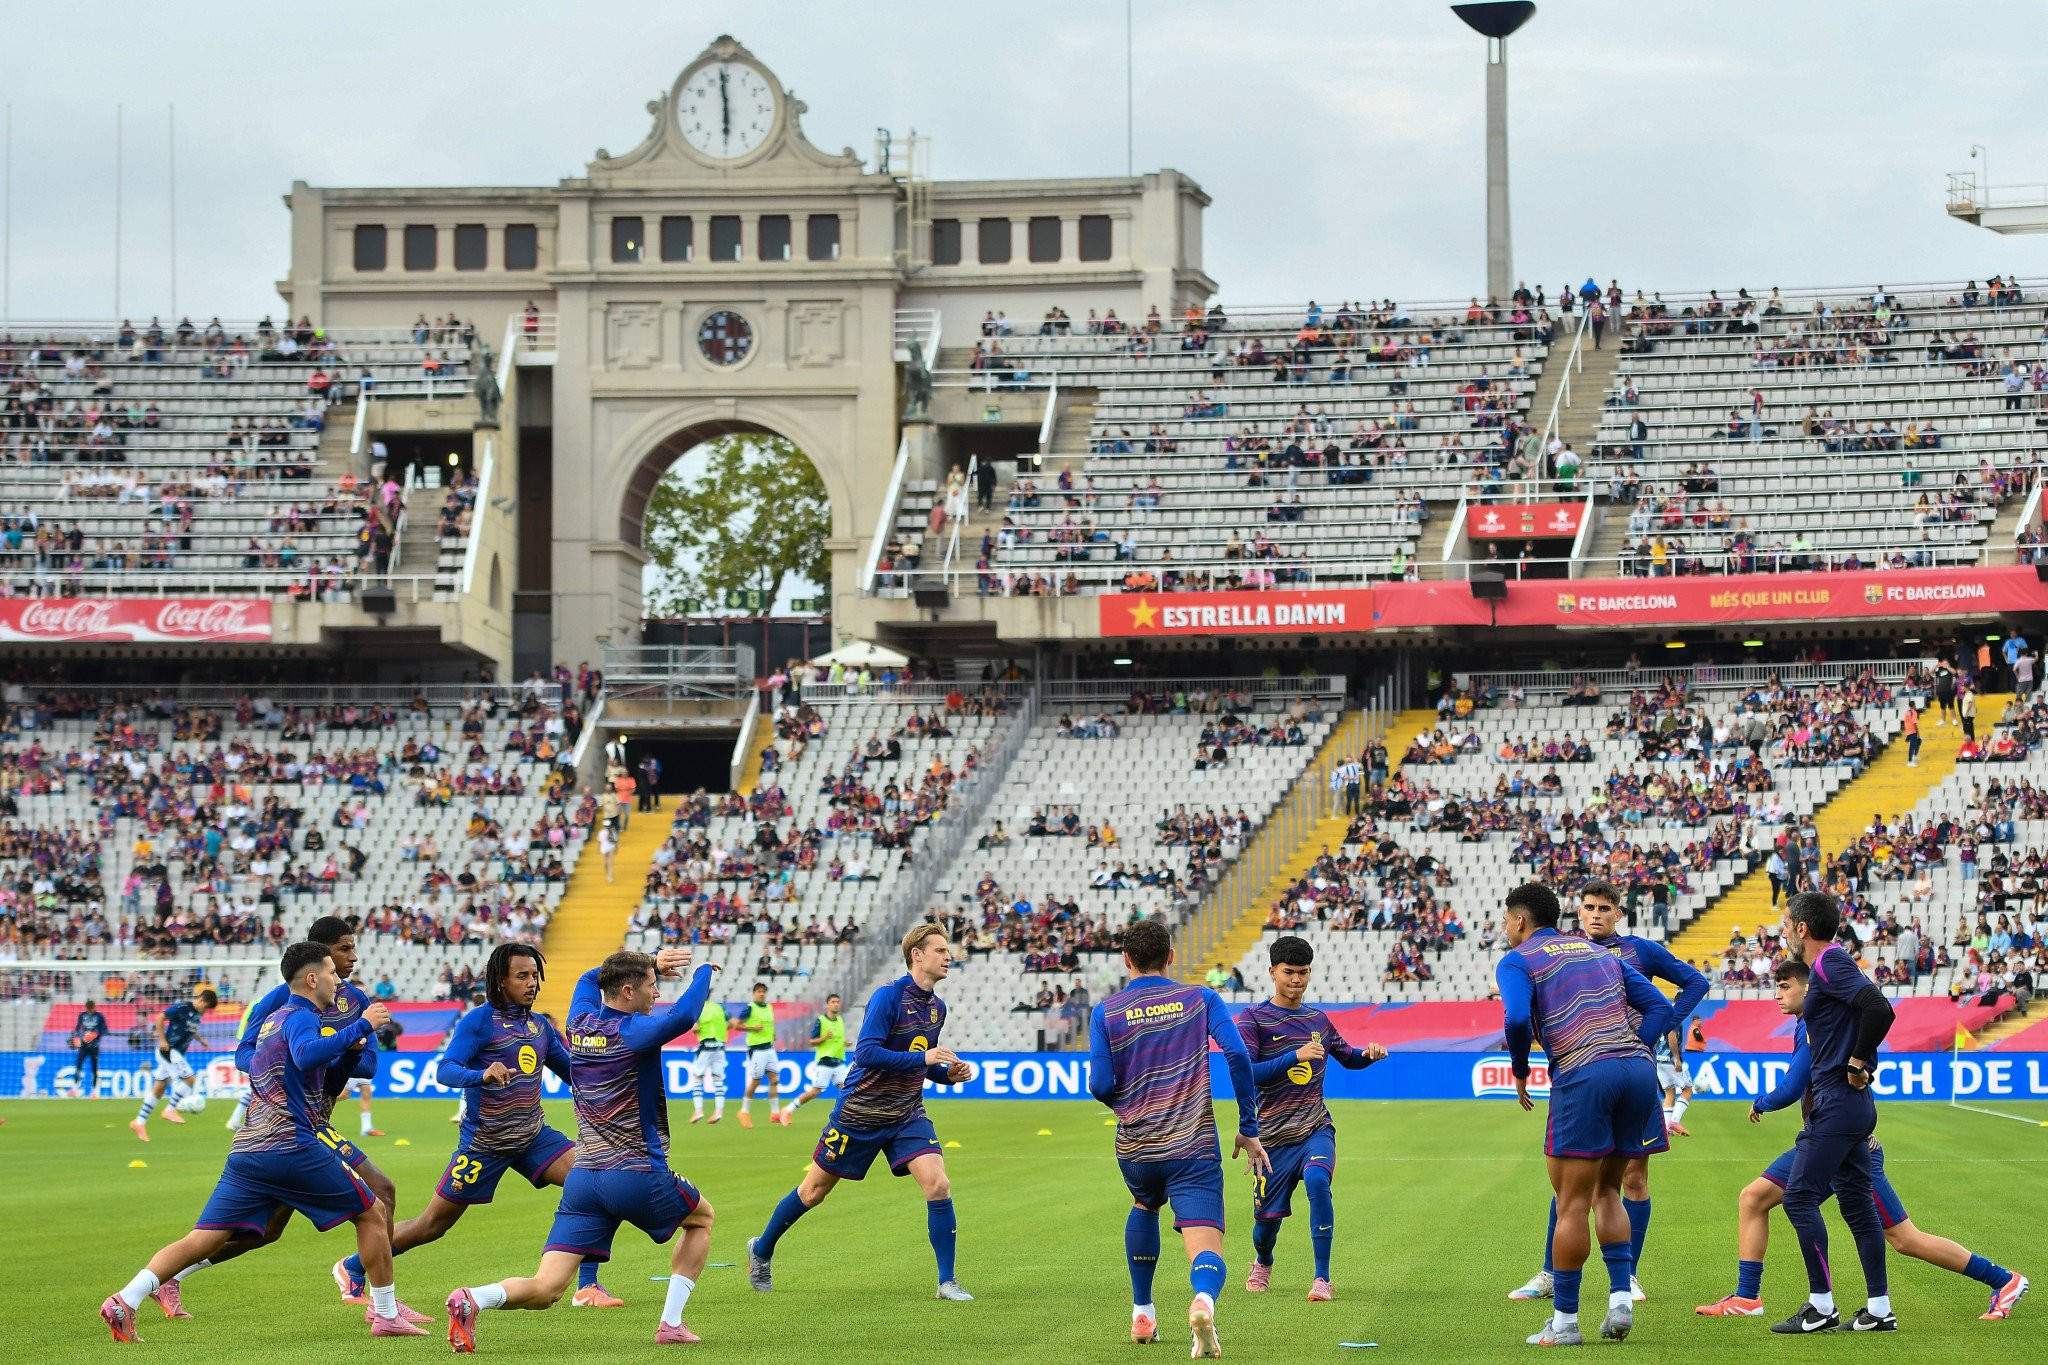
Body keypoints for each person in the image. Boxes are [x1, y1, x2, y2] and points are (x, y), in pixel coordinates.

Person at [98, 941, 420, 1342]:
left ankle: (124, 1300)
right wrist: (362, 1026)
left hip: (248, 1149)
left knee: (205, 1238)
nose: (340, 980)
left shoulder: (273, 1021)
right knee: (373, 1212)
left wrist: (350, 1052)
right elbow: (305, 1055)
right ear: (312, 977)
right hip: (291, 1145)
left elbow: (320, 1078)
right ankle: (386, 1314)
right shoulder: (302, 1016)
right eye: (333, 972)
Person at [1697, 956, 2029, 1321]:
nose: (1777, 994)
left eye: (1785, 985)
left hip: (1841, 1143)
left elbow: (1794, 1084)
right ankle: (1748, 1297)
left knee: (1904, 1239)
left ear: (1810, 988)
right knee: (1754, 1197)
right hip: (1826, 1138)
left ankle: (2003, 1279)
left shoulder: (1817, 1025)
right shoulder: (1815, 1024)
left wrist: (1761, 1102)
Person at [445, 947, 719, 1350]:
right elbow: (684, 1016)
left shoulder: (579, 1021)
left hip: (585, 1179)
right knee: (701, 1220)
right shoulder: (633, 1032)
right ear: (628, 991)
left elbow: (589, 979)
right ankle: (671, 1324)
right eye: (651, 986)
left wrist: (648, 962)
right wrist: (701, 975)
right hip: (636, 1172)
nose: (656, 994)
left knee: (547, 1288)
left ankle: (475, 1298)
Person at [337, 945, 618, 1310]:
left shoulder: (540, 1027)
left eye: (534, 976)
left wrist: (610, 1079)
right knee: (431, 1226)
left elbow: (574, 1074)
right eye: (522, 976)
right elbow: (446, 1069)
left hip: (534, 1137)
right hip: (484, 1146)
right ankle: (352, 1266)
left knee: (597, 1182)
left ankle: (587, 1285)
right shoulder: (479, 1021)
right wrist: (481, 1075)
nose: (532, 983)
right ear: (501, 981)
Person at [746, 924, 976, 1301]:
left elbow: (918, 1063)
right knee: (814, 1192)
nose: (948, 956)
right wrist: (926, 1058)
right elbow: (866, 1054)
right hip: (860, 1113)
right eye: (940, 950)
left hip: (906, 1114)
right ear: (917, 954)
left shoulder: (938, 1007)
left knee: (939, 1184)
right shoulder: (888, 998)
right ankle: (762, 1248)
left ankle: (946, 1281)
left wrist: (947, 1075)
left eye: (947, 951)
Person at [1509, 880, 1708, 1304]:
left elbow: (1694, 983)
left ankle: (1627, 1276)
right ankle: (1550, 1272)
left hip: (1629, 1065)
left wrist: (1652, 1036)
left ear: (1619, 913)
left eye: (1604, 907)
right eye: (1588, 907)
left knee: (1632, 1177)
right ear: (1576, 913)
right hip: (1595, 1069)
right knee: (1572, 1179)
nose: (1595, 914)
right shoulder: (1573, 953)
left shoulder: (1640, 951)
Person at [1088, 916, 1267, 1355]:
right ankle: (1202, 1303)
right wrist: (1248, 1127)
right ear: (1170, 956)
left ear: (1126, 959)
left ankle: (1142, 1312)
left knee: (1143, 1203)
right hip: (1192, 1144)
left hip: (1136, 1147)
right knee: (1205, 1242)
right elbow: (1238, 1055)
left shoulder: (1105, 1012)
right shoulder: (1201, 998)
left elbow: (1098, 1084)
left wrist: (1130, 1107)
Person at [225, 916, 402, 1307]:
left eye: (353, 948)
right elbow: (242, 1054)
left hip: (318, 1118)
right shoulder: (278, 1000)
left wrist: (333, 1049)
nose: (353, 957)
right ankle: (374, 1295)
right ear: (320, 954)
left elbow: (369, 1067)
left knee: (269, 1232)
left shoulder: (356, 1001)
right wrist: (292, 1060)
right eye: (344, 948)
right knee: (380, 1192)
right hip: (289, 1119)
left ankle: (368, 1284)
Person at [1767, 890, 1898, 1334]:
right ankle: (1879, 1310)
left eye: (1786, 925)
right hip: (1851, 1105)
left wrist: (1859, 1062)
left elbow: (1879, 1008)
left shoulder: (1827, 962)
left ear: (1802, 929)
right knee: (1858, 1206)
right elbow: (1865, 1011)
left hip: (1836, 1104)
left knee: (1799, 1197)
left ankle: (1821, 1306)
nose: (1783, 932)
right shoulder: (1834, 964)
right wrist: (1861, 1062)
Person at [1237, 935, 1385, 1301]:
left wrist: (1368, 1054)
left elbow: (1347, 1056)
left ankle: (1322, 1278)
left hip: (1315, 1127)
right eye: (1288, 972)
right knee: (1265, 1227)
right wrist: (1294, 1056)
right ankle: (1263, 1260)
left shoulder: (1318, 1019)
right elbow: (1247, 1073)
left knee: (1319, 1181)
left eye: (1303, 972)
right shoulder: (1253, 1019)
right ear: (1272, 972)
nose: (1296, 980)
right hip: (1270, 1140)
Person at [130, 986, 217, 1140]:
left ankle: (139, 1122)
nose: (205, 1011)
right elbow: (159, 1018)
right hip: (169, 1051)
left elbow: (190, 1030)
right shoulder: (181, 1007)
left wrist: (201, 1041)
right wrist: (162, 1040)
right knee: (190, 1079)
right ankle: (170, 1109)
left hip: (176, 1054)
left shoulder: (197, 1015)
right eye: (206, 1007)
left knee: (159, 1089)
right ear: (201, 1000)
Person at [781, 993, 848, 1119]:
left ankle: (846, 1117)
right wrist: (824, 1037)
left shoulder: (840, 1021)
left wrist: (845, 1043)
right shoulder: (821, 1021)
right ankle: (788, 1109)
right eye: (833, 1002)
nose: (836, 1004)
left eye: (838, 1002)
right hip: (825, 1063)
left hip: (839, 1063)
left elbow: (836, 1041)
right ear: (827, 1005)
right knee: (815, 1092)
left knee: (847, 1091)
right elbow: (811, 1041)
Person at [735, 981, 784, 1128]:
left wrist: (773, 1033)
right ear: (754, 993)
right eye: (759, 991)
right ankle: (744, 1112)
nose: (761, 993)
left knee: (774, 1080)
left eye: (763, 991)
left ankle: (775, 1114)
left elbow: (769, 1025)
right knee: (756, 1081)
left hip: (769, 1048)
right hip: (756, 1050)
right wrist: (752, 1028)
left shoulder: (769, 1007)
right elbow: (738, 1025)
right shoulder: (750, 1008)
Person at [688, 994, 729, 1124]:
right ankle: (719, 1111)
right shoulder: (719, 1007)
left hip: (706, 1046)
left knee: (697, 1078)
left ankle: (698, 1110)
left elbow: (695, 1028)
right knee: (718, 1079)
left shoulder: (699, 1008)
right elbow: (732, 1023)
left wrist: (696, 1030)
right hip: (720, 1046)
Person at [71, 998, 109, 1097]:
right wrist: (75, 1037)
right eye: (88, 1009)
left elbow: (105, 1030)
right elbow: (77, 1028)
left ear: (94, 1008)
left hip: (94, 1047)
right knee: (78, 1066)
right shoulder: (82, 1015)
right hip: (83, 1046)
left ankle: (95, 1092)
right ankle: (75, 1089)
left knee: (94, 1069)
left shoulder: (99, 1016)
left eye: (90, 1009)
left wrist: (95, 1034)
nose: (89, 1011)